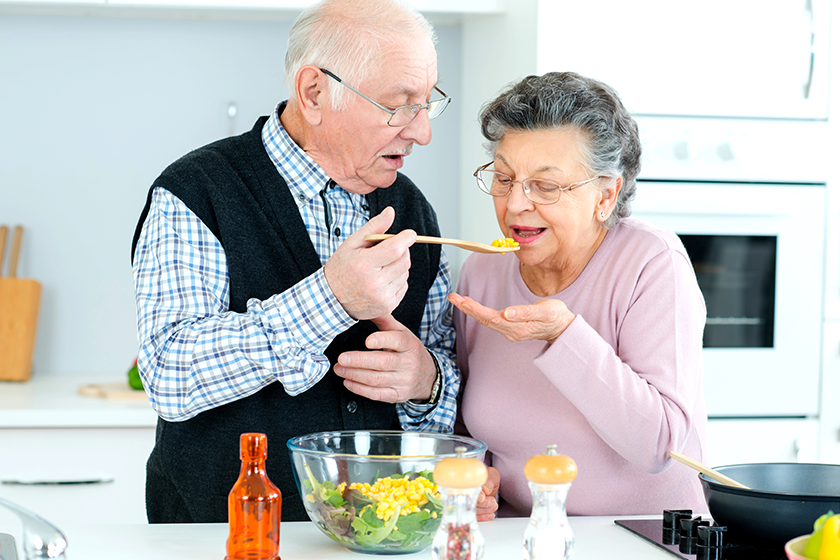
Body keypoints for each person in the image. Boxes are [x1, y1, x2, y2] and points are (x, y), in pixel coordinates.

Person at [131, 0, 459, 523]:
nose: (422, 133)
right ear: (313, 93)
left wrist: (428, 382)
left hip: (374, 537)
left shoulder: (413, 209)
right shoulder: (196, 192)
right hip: (221, 536)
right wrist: (330, 300)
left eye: (428, 103)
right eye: (399, 107)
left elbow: (444, 378)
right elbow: (170, 374)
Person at [449, 72, 708, 517]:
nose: (515, 205)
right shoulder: (482, 272)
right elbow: (470, 429)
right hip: (522, 538)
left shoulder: (652, 262)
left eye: (545, 186)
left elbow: (660, 444)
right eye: (505, 178)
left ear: (606, 194)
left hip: (645, 540)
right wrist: (479, 474)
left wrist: (565, 335)